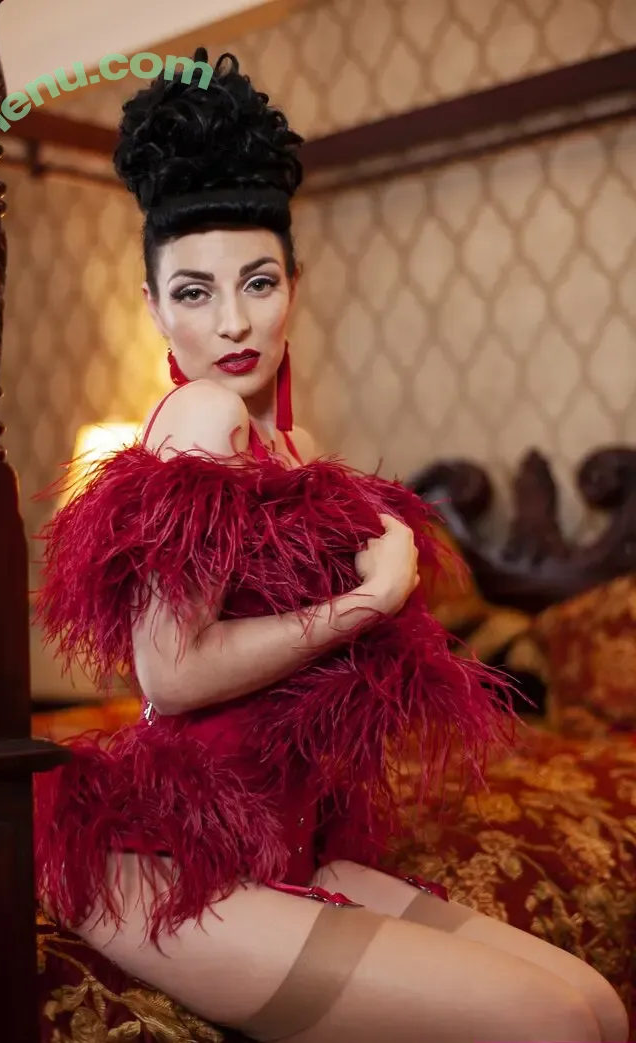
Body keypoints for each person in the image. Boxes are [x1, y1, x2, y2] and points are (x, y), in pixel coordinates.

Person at [34, 49, 629, 1043]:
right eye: (193, 292)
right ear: (152, 306)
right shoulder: (202, 416)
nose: (232, 321)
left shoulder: (296, 447)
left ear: (295, 285)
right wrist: (365, 601)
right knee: (556, 1022)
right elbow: (169, 670)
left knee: (599, 1004)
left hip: (289, 836)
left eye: (258, 281)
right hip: (175, 852)